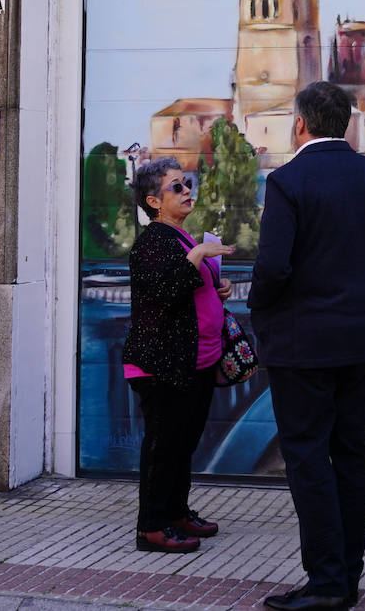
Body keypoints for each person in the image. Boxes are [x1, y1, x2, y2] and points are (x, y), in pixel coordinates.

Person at [248, 81, 365, 611]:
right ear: (345, 122)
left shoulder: (287, 181)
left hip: (300, 343)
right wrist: (362, 290)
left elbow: (274, 265)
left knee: (306, 456)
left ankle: (324, 582)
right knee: (351, 452)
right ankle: (346, 575)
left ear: (300, 124)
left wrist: (263, 310)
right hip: (359, 340)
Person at [123, 156, 235, 553]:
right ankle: (151, 527)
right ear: (154, 202)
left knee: (183, 443)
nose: (187, 191)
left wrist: (217, 290)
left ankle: (176, 512)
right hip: (161, 364)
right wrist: (200, 255)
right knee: (162, 446)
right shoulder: (152, 242)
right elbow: (166, 291)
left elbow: (192, 290)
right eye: (177, 187)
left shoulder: (183, 238)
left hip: (194, 361)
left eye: (186, 183)